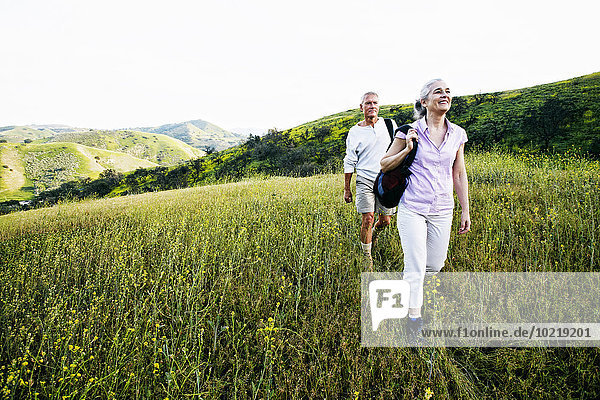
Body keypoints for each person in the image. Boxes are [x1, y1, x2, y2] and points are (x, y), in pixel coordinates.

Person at [380, 79, 471, 336]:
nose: (445, 95)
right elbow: (385, 164)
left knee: (435, 264)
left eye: (448, 92)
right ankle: (413, 318)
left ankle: (416, 295)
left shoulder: (458, 134)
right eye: (438, 92)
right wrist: (407, 148)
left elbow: (459, 172)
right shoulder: (409, 131)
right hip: (413, 207)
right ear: (424, 101)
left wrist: (465, 209)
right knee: (416, 265)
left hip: (443, 208)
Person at [343, 92, 397, 269]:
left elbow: (400, 147)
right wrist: (347, 189)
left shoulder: (389, 125)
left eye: (375, 103)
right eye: (368, 103)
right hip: (365, 179)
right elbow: (349, 160)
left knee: (386, 220)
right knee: (368, 218)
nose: (372, 106)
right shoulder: (355, 131)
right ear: (361, 108)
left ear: (378, 106)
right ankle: (367, 256)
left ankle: (372, 236)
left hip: (386, 178)